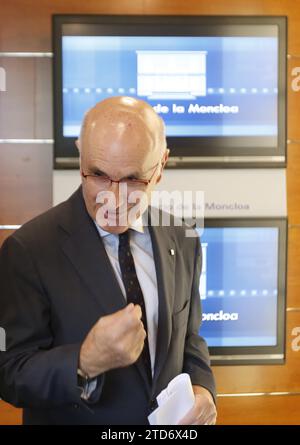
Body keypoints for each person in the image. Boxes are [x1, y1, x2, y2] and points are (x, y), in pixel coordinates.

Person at [0, 96, 217, 425]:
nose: (113, 199)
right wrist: (83, 361)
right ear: (81, 160)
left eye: (133, 180)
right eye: (99, 175)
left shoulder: (182, 237)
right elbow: (10, 374)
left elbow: (189, 338)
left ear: (161, 167)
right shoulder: (29, 249)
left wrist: (202, 389)